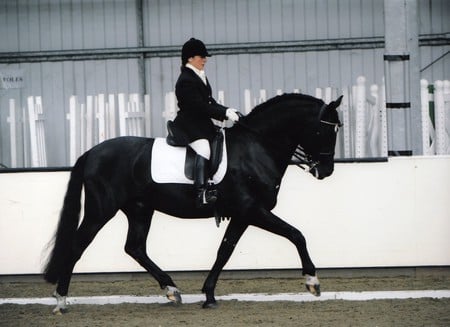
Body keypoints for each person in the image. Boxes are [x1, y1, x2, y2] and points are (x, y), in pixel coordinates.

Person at [171, 38, 241, 207]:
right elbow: (198, 106)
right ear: (190, 58)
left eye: (205, 56)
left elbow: (209, 102)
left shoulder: (199, 76)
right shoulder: (186, 80)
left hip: (200, 124)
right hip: (188, 125)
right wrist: (223, 112)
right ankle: (201, 192)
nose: (205, 59)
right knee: (204, 148)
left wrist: (227, 111)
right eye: (201, 56)